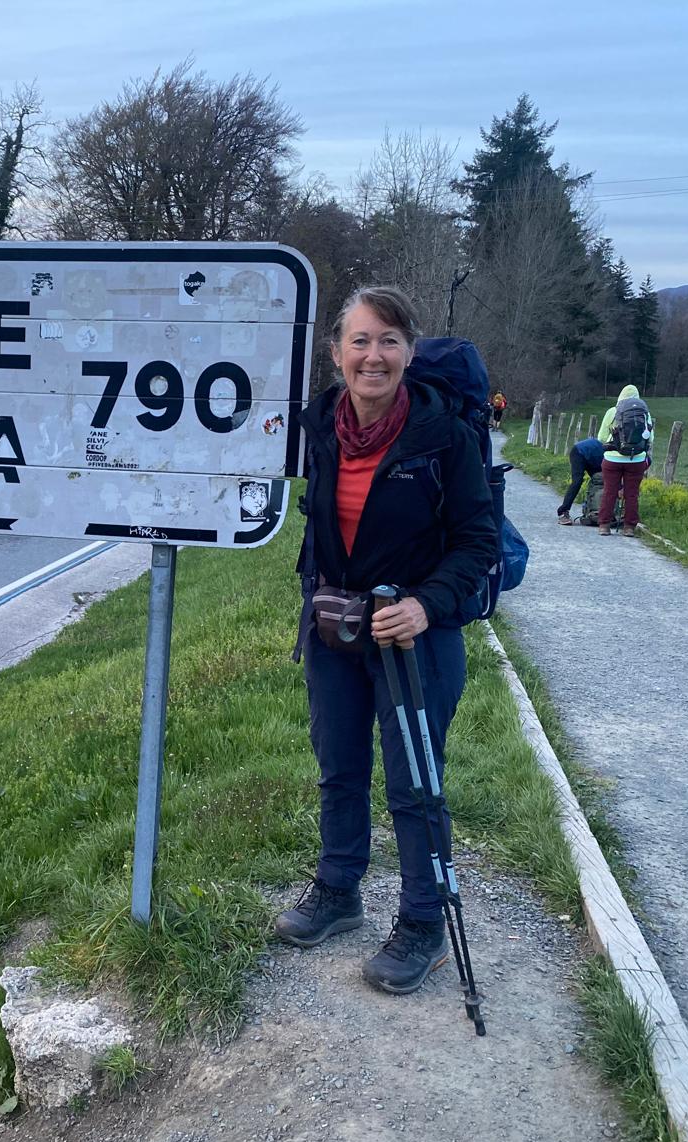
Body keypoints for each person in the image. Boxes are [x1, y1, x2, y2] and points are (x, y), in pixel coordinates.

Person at [278, 285, 496, 995]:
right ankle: (338, 892)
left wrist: (427, 606)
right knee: (339, 767)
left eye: (390, 341)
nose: (374, 356)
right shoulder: (316, 425)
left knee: (414, 784)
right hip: (334, 627)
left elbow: (477, 542)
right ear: (336, 352)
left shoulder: (444, 438)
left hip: (415, 640)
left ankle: (422, 922)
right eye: (361, 341)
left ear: (409, 351)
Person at [596, 385, 654, 536]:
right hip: (636, 460)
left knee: (610, 491)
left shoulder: (612, 411)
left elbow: (601, 437)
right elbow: (650, 438)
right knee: (632, 494)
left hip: (612, 459)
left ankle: (604, 525)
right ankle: (629, 527)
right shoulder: (645, 413)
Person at [556, 433, 606, 525]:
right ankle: (563, 512)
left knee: (598, 483)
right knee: (577, 481)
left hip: (593, 457)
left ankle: (591, 510)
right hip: (579, 452)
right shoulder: (613, 459)